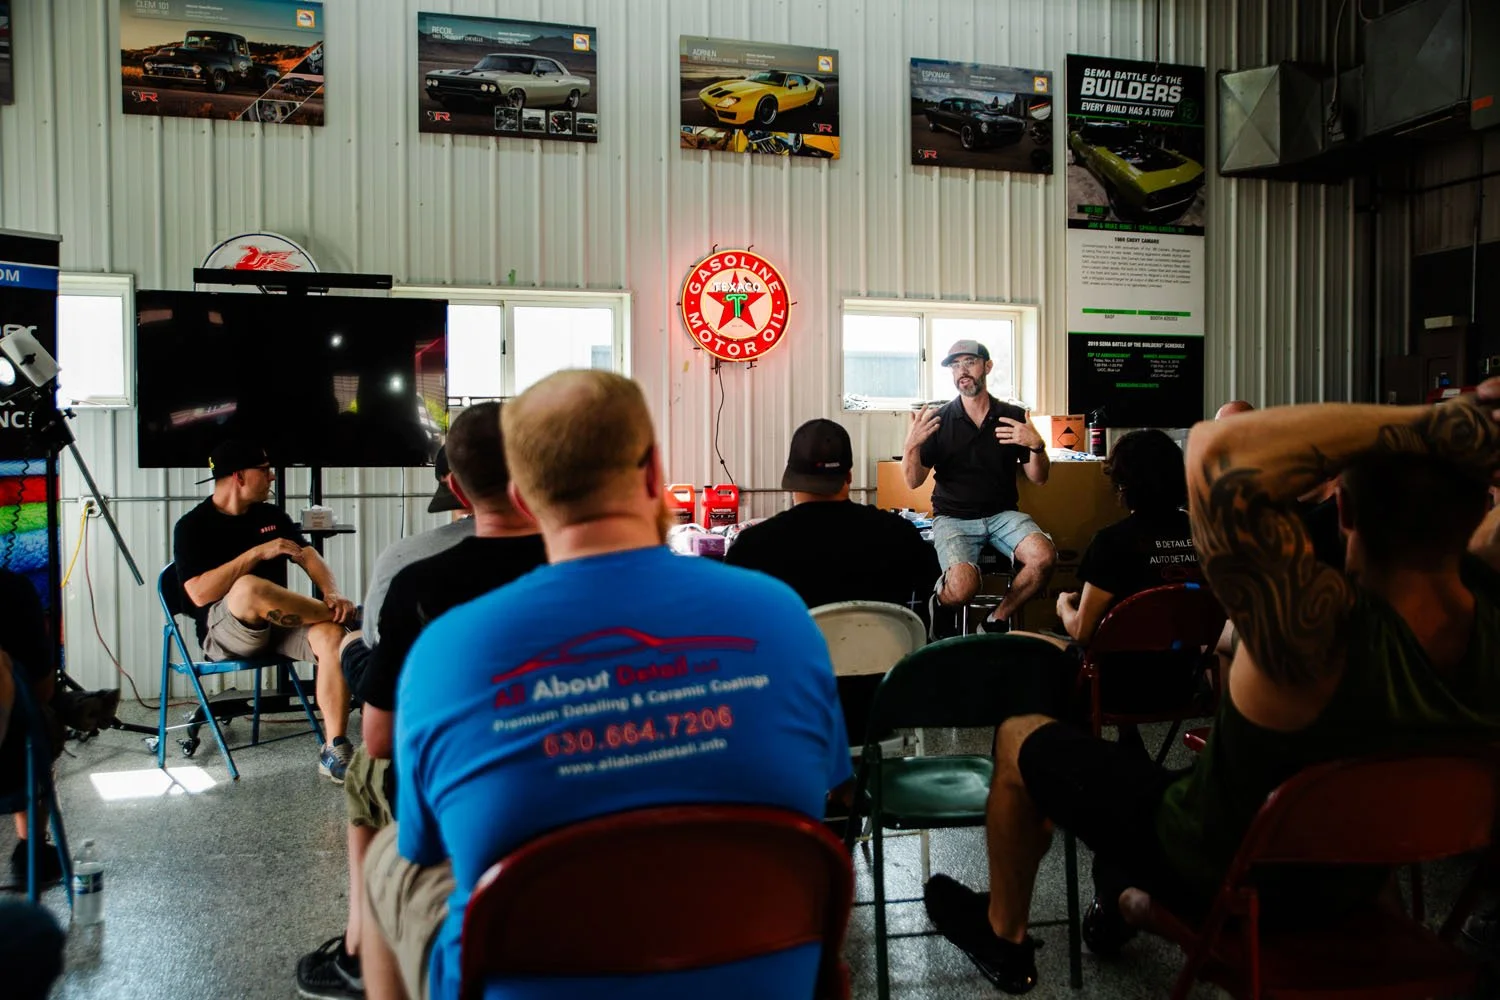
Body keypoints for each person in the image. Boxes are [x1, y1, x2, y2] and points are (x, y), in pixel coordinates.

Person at [921, 384, 1500, 994]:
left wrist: (1429, 418)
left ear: (1344, 511)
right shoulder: (1489, 624)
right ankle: (1124, 903)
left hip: (1218, 861)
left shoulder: (1308, 632)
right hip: (1356, 874)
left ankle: (1004, 932)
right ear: (1477, 513)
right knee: (1139, 781)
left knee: (1020, 736)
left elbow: (1218, 449)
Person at [360, 371, 850, 1000]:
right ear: (653, 476)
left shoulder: (444, 654)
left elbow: (430, 844)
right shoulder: (781, 617)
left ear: (524, 501)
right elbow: (824, 789)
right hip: (768, 977)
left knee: (383, 860)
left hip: (526, 974)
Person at [296, 403, 547, 1000]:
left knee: (364, 770)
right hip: (563, 775)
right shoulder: (579, 565)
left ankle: (360, 945)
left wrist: (355, 647)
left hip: (461, 792)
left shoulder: (417, 577)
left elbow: (383, 735)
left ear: (454, 486)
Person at [172, 440, 356, 782]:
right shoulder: (192, 526)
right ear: (239, 476)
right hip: (226, 631)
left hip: (278, 626)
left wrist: (332, 592)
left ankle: (334, 747)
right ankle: (349, 617)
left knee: (332, 636)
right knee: (248, 588)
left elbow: (308, 555)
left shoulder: (272, 516)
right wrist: (255, 554)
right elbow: (198, 595)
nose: (272, 477)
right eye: (265, 470)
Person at [902, 339, 1055, 632]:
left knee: (1044, 556)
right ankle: (940, 604)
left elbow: (1039, 477)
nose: (962, 371)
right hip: (953, 518)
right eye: (955, 365)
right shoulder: (939, 419)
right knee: (963, 586)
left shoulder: (1012, 415)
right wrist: (911, 446)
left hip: (1003, 515)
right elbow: (913, 481)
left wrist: (1037, 446)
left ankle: (996, 619)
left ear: (987, 366)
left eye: (969, 362)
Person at [726, 418, 940, 612]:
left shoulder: (752, 548)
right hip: (881, 654)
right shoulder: (900, 535)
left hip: (795, 656)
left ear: (791, 479)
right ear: (848, 476)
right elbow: (931, 592)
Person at [336, 446, 474, 701]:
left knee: (356, 640)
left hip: (425, 690)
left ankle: (360, 736)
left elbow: (374, 638)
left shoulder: (404, 557)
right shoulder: (549, 552)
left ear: (451, 483)